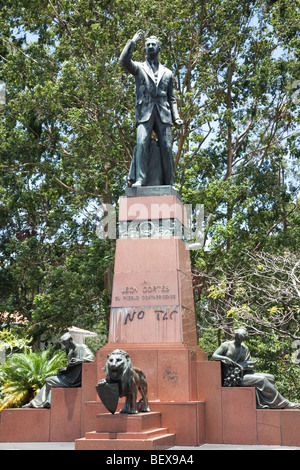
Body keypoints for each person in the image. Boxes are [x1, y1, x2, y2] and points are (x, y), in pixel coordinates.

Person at [119, 30, 183, 187]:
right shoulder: (139, 67)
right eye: (148, 45)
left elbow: (172, 98)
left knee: (166, 147)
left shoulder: (167, 72)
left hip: (164, 113)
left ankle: (170, 182)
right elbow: (123, 61)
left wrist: (176, 117)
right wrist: (132, 41)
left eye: (154, 44)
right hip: (144, 112)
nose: (151, 46)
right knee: (142, 143)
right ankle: (140, 179)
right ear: (145, 49)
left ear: (159, 49)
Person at [212, 328, 300, 409]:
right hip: (234, 377)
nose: (239, 340)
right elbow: (214, 356)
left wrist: (248, 365)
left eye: (242, 338)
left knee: (271, 377)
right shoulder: (226, 345)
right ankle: (283, 403)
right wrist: (226, 358)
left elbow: (248, 363)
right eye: (238, 337)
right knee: (262, 380)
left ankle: (267, 403)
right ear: (235, 335)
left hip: (245, 372)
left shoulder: (244, 348)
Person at [22, 332, 95, 408]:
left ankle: (36, 403)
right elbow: (69, 366)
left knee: (48, 380)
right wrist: (63, 370)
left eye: (66, 343)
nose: (66, 345)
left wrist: (79, 361)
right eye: (64, 344)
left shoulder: (82, 347)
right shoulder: (70, 353)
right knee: (49, 381)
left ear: (71, 340)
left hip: (75, 379)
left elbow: (92, 358)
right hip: (69, 376)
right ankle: (44, 402)